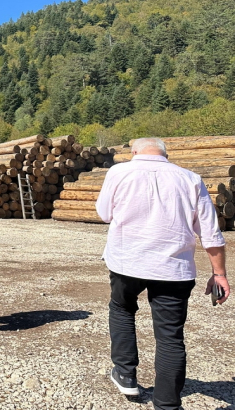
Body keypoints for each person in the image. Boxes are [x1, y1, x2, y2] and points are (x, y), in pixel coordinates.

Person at [96, 137, 230, 409]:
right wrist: (219, 274)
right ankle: (167, 403)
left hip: (127, 262)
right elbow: (210, 232)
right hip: (174, 268)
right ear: (165, 154)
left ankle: (125, 374)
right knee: (170, 336)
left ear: (134, 152)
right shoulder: (191, 178)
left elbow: (104, 214)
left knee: (122, 310)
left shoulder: (119, 172)